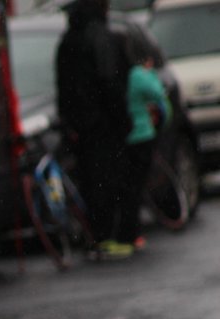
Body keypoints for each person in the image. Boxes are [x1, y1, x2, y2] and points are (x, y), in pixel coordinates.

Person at [55, 0, 134, 259]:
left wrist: (70, 122)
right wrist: (122, 119)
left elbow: (64, 89)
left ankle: (97, 235)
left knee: (91, 181)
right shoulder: (101, 37)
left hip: (81, 127)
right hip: (103, 125)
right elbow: (109, 81)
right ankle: (109, 235)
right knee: (109, 180)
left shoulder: (68, 42)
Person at [115, 53, 172, 251]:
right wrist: (152, 75)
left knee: (127, 185)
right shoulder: (139, 75)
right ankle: (132, 233)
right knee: (136, 186)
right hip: (142, 133)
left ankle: (126, 231)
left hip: (123, 136)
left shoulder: (117, 74)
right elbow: (158, 92)